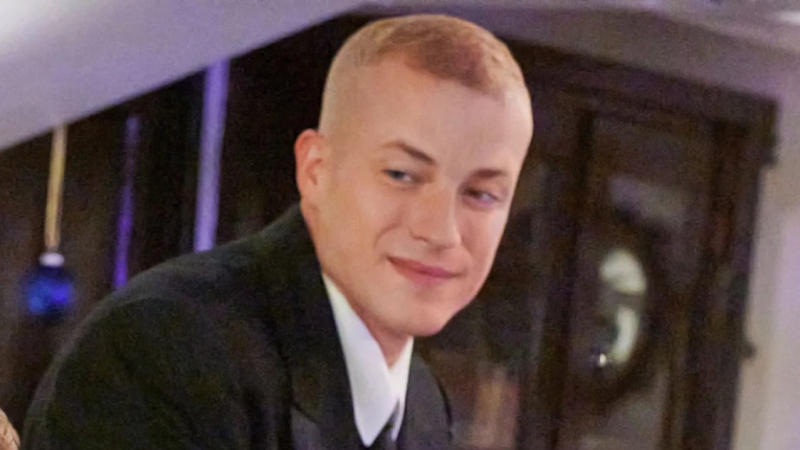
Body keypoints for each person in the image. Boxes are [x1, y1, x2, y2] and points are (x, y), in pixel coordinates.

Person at [23, 13, 533, 449]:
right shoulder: (165, 353)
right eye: (401, 174)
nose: (442, 231)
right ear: (315, 171)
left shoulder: (423, 405)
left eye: (481, 194)